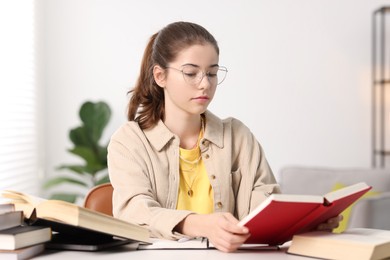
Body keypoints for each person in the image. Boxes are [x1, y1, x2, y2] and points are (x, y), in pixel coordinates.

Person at [107, 21, 340, 252]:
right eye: (191, 73)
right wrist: (200, 224)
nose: (205, 84)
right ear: (160, 76)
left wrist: (303, 224)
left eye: (212, 73)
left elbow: (263, 208)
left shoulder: (237, 136)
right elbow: (134, 212)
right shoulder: (129, 141)